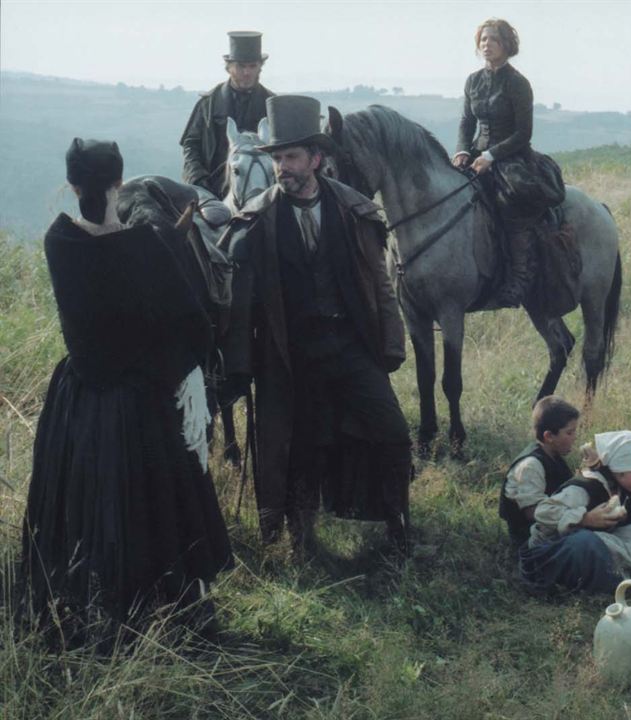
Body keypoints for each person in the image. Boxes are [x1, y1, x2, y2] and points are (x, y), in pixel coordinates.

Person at [21, 139, 232, 644]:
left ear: (72, 187)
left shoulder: (58, 242)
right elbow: (190, 322)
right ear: (120, 183)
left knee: (80, 508)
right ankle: (162, 610)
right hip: (139, 404)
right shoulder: (143, 244)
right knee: (157, 505)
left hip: (79, 399)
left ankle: (81, 608)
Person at [219, 95, 412, 557]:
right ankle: (301, 541)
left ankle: (398, 529)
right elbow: (241, 308)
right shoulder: (258, 221)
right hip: (291, 355)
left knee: (391, 432)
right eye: (278, 158)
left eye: (290, 157)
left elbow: (380, 284)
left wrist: (390, 344)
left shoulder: (354, 211)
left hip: (350, 345)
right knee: (299, 447)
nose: (282, 167)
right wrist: (240, 368)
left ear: (317, 160)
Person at [453, 18, 565, 307]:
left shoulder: (518, 83)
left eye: (493, 39)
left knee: (510, 204)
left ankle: (519, 279)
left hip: (511, 159)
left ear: (506, 45)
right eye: (483, 40)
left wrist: (491, 156)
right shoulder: (473, 81)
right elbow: (467, 123)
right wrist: (463, 151)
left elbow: (523, 133)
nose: (486, 45)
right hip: (477, 156)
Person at [520, 430, 631, 595]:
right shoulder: (585, 487)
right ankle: (619, 585)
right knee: (590, 541)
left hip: (579, 545)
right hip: (547, 555)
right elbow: (542, 512)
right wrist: (585, 519)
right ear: (619, 470)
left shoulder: (617, 485)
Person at [181, 31, 274, 199]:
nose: (246, 72)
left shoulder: (272, 105)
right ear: (229, 67)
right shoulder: (208, 104)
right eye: (240, 66)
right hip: (211, 188)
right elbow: (190, 144)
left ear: (260, 66)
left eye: (252, 66)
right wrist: (197, 177)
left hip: (261, 190)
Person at [500, 396, 579, 548]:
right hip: (530, 538)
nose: (574, 438)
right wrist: (580, 518)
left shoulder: (554, 455)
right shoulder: (531, 466)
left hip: (552, 528)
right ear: (549, 436)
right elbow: (533, 513)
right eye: (569, 433)